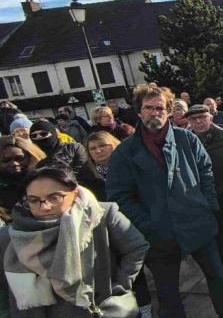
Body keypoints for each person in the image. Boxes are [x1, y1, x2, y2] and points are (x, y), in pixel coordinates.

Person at [106, 83, 223, 318]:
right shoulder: (125, 152)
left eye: (160, 108)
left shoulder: (186, 138)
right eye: (148, 108)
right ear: (139, 111)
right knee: (168, 294)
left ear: (168, 111)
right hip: (158, 234)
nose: (154, 113)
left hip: (198, 223)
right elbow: (119, 196)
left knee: (219, 277)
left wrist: (208, 204)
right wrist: (148, 224)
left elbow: (206, 170)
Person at [0, 167, 149, 317]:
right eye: (33, 200)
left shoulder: (100, 216)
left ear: (75, 193)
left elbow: (136, 247)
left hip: (94, 309)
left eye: (54, 197)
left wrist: (119, 285)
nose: (44, 207)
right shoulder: (12, 235)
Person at [84, 131, 153, 317]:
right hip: (106, 231)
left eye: (102, 145)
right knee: (120, 271)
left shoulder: (130, 165)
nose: (98, 151)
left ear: (114, 145)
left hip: (135, 223)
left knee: (141, 267)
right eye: (92, 148)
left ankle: (146, 307)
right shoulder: (86, 177)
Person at [186, 104, 223, 280]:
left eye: (202, 118)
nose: (198, 122)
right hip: (205, 197)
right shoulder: (186, 142)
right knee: (217, 235)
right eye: (194, 119)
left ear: (210, 118)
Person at [0, 136, 45, 212]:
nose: (14, 163)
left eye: (20, 158)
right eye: (6, 160)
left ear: (31, 157)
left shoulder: (44, 178)